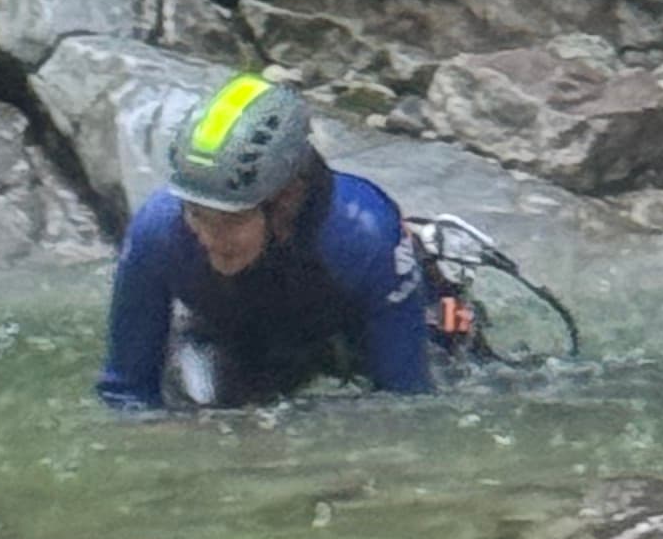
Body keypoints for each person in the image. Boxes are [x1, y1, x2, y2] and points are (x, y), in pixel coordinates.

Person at [97, 73, 431, 411]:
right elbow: (126, 392)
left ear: (283, 204)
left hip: (348, 333)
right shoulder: (157, 234)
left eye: (231, 220)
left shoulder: (365, 235)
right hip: (235, 335)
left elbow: (407, 401)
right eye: (196, 214)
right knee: (205, 412)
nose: (210, 239)